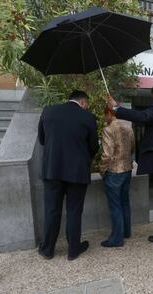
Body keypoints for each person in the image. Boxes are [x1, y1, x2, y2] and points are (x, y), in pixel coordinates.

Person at [107, 83, 153, 243]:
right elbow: (145, 113)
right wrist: (120, 107)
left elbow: (142, 117)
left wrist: (116, 109)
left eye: (152, 98)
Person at [37, 90, 99, 261]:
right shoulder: (88, 117)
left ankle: (48, 249)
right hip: (77, 172)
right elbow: (94, 146)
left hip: (52, 170)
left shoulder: (48, 111)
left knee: (51, 210)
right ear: (83, 102)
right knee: (74, 211)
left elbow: (42, 139)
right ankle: (73, 250)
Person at [99, 106, 135, 247]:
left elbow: (106, 154)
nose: (104, 118)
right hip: (127, 169)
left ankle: (116, 239)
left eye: (104, 115)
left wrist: (102, 170)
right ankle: (126, 231)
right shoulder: (128, 127)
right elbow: (132, 147)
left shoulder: (108, 129)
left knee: (115, 205)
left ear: (109, 113)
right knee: (124, 201)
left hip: (114, 172)